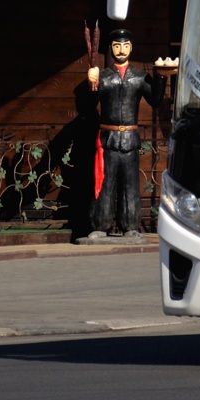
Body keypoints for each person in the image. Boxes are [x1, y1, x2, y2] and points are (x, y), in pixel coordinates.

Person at [86, 28, 164, 241]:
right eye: (117, 46)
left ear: (131, 47)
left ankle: (130, 226)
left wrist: (162, 78)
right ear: (111, 48)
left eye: (126, 45)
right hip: (108, 139)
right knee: (105, 183)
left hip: (130, 139)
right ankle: (100, 225)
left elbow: (155, 100)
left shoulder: (139, 77)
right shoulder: (103, 76)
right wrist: (92, 85)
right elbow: (88, 107)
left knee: (130, 184)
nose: (122, 50)